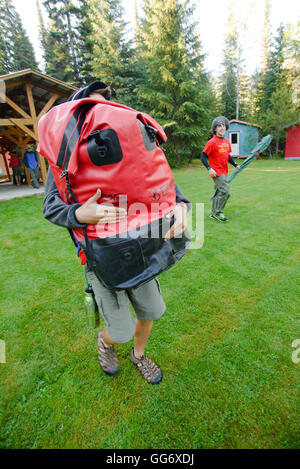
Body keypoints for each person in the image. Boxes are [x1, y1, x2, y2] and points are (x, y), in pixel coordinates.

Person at [42, 81, 190, 384]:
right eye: (93, 106)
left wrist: (183, 207)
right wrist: (79, 214)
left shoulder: (128, 147)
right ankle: (105, 342)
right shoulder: (64, 151)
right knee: (120, 329)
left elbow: (162, 185)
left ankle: (138, 356)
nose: (102, 111)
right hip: (101, 255)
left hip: (143, 246)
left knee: (151, 311)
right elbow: (50, 206)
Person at [200, 116, 240, 222]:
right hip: (216, 171)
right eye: (219, 126)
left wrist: (235, 164)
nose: (222, 128)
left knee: (218, 192)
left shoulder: (226, 141)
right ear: (215, 129)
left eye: (223, 126)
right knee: (225, 191)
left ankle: (213, 213)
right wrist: (209, 168)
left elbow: (228, 156)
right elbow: (203, 156)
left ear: (226, 127)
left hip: (224, 170)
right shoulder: (212, 142)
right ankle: (218, 212)